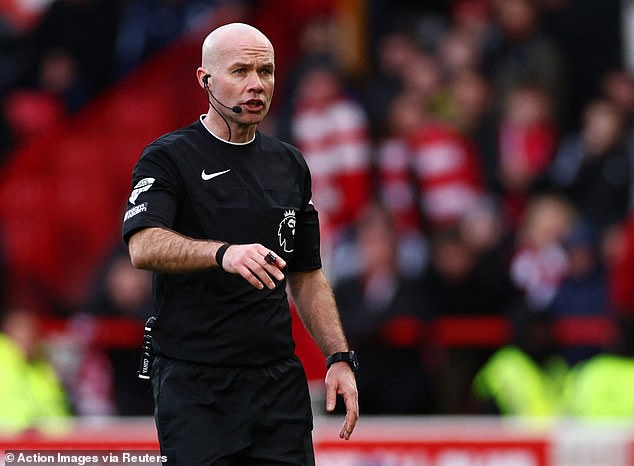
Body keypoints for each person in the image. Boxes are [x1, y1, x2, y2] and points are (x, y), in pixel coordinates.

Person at [121, 22, 358, 465]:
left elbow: (306, 273)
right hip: (196, 384)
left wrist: (338, 357)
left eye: (265, 72)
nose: (256, 85)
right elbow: (143, 244)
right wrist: (222, 253)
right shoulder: (169, 157)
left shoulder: (289, 164)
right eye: (240, 71)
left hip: (276, 384)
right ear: (204, 79)